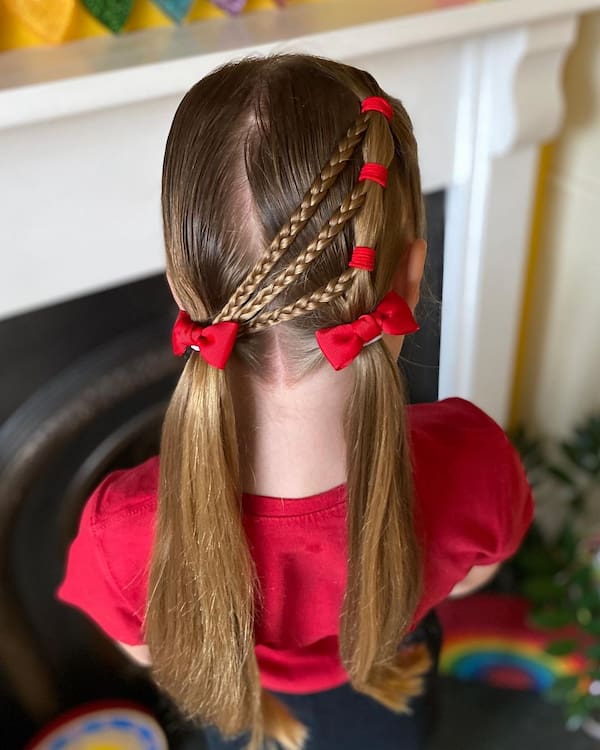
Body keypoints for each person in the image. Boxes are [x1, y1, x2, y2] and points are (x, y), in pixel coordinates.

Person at [56, 54, 533, 750]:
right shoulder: (473, 460)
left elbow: (145, 651)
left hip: (242, 713)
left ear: (185, 294)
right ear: (409, 272)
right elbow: (473, 578)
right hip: (391, 691)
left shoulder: (122, 531)